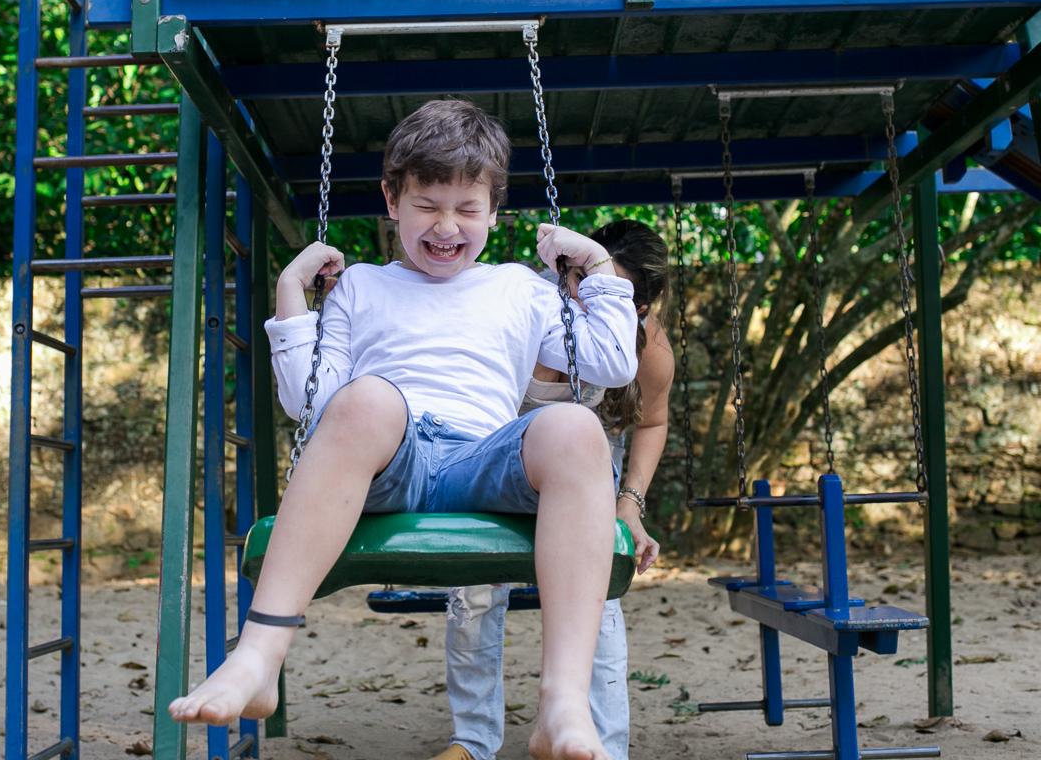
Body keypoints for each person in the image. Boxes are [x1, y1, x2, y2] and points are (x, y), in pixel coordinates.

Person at [169, 99, 638, 760]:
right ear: (392, 199)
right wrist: (290, 294)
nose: (447, 227)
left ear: (495, 212)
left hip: (486, 460)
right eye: (428, 205)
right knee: (365, 401)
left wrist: (595, 264)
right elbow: (314, 404)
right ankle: (258, 656)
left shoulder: (519, 288)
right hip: (393, 459)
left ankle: (561, 700)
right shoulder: (360, 286)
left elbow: (613, 363)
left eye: (467, 210)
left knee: (572, 427)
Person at [436, 221, 673, 760]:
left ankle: (602, 747)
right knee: (475, 584)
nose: (589, 300)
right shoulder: (518, 300)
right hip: (495, 445)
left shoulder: (645, 346)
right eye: (583, 283)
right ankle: (472, 740)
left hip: (580, 459)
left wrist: (629, 506)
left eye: (615, 295)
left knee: (598, 591)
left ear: (636, 310)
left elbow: (652, 422)